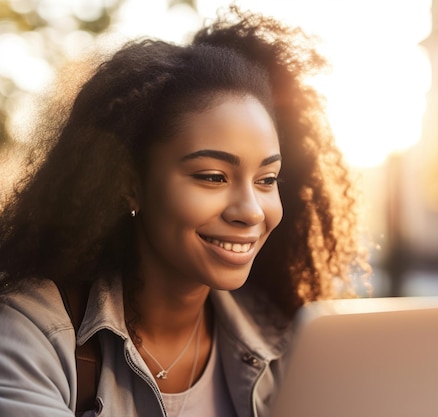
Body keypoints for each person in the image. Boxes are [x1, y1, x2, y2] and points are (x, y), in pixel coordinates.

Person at [0, 7, 367, 417]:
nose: (250, 211)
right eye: (213, 177)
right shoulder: (31, 333)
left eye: (267, 180)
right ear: (130, 184)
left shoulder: (289, 340)